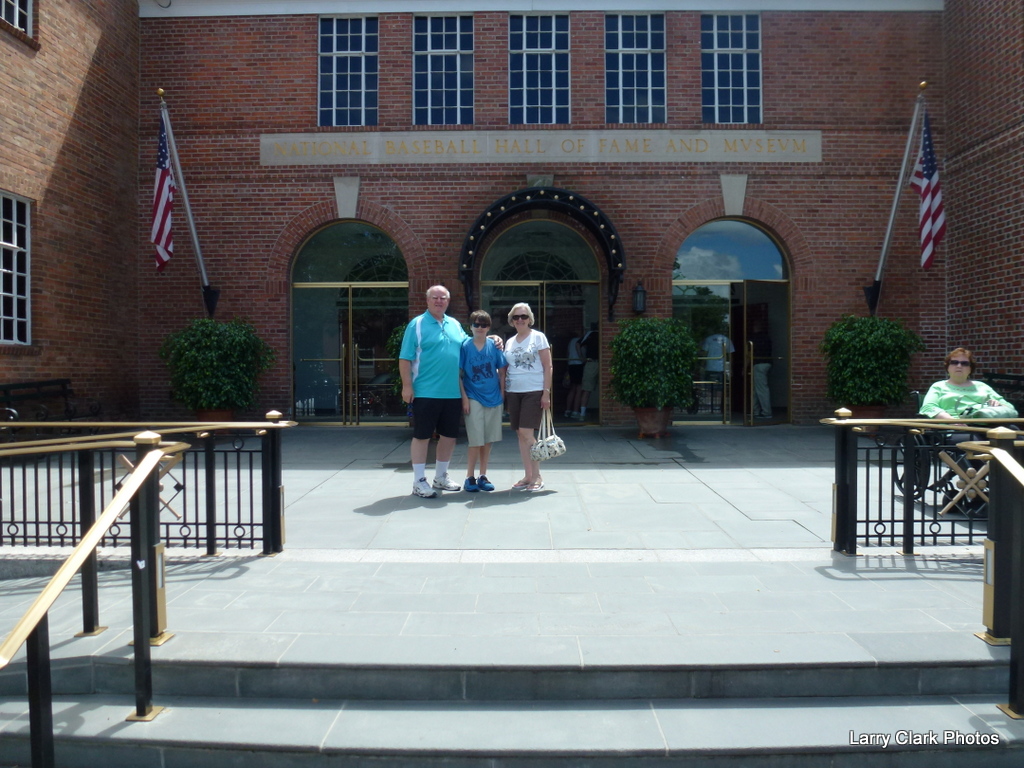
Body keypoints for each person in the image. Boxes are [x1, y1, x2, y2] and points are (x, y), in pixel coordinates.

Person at [398, 285, 470, 499]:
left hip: (452, 393)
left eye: (443, 298)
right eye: (435, 298)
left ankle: (441, 476)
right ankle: (419, 481)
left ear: (448, 301)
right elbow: (405, 357)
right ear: (427, 300)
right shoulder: (417, 324)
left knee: (449, 437)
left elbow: (468, 344)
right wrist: (407, 386)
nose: (439, 301)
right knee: (422, 436)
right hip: (425, 392)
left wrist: (491, 340)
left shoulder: (455, 324)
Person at [504, 302, 553, 492]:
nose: (520, 320)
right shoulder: (509, 341)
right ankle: (528, 475)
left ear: (530, 319)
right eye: (516, 317)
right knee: (519, 433)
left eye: (523, 316)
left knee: (526, 433)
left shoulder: (538, 337)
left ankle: (537, 475)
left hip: (533, 391)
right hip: (513, 391)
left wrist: (546, 392)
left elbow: (548, 366)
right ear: (511, 320)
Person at [459, 309, 507, 493]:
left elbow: (502, 371)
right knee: (475, 439)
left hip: (493, 397)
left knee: (488, 440)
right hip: (473, 396)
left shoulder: (494, 346)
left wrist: (502, 394)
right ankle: (469, 476)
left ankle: (483, 475)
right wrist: (464, 397)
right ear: (470, 326)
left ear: (489, 327)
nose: (480, 328)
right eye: (476, 324)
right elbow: (459, 374)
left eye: (484, 325)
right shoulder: (465, 346)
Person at [920, 347, 1018, 421]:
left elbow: (1010, 408)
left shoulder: (982, 386)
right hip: (956, 428)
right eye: (954, 362)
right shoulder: (938, 386)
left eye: (964, 363)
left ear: (970, 369)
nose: (959, 366)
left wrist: (999, 404)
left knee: (1017, 437)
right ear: (947, 367)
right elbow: (928, 407)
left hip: (989, 425)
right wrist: (952, 422)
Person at [749, 322, 773, 418]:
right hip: (767, 363)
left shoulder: (754, 339)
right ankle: (756, 411)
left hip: (758, 363)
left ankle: (766, 412)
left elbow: (749, 352)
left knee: (761, 389)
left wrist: (746, 365)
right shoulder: (767, 338)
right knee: (757, 388)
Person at [577, 323, 599, 421]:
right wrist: (582, 358)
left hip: (597, 362)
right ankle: (582, 414)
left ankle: (582, 414)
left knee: (587, 389)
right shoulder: (590, 334)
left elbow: (578, 344)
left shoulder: (592, 334)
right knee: (586, 389)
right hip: (592, 362)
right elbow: (578, 344)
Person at [564, 331, 584, 419]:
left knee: (572, 388)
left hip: (571, 364)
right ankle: (575, 411)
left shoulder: (571, 341)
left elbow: (568, 353)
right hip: (578, 365)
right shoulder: (580, 341)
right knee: (579, 389)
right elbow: (578, 348)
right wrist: (582, 359)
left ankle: (568, 410)